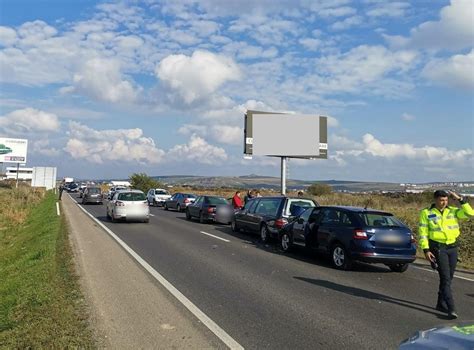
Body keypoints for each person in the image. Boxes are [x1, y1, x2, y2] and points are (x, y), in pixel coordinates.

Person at [418, 190, 473, 319]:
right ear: (435, 199)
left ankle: (440, 303)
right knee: (445, 278)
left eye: (446, 200)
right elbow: (423, 232)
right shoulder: (426, 213)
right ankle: (451, 307)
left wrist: (460, 199)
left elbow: (470, 213)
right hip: (438, 248)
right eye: (441, 200)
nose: (444, 203)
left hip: (452, 248)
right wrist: (426, 250)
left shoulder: (453, 211)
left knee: (449, 278)